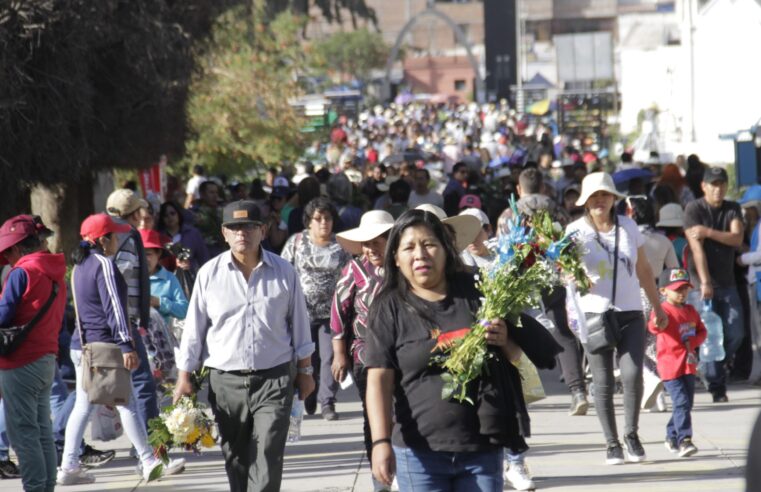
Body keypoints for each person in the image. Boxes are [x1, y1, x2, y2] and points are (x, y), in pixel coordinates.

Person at [364, 209, 525, 490]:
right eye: (409, 247)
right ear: (396, 258)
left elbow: (517, 357)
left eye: (429, 244)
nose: (420, 254)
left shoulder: (478, 291)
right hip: (418, 453)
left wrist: (505, 338)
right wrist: (380, 441)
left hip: (482, 448)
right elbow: (379, 380)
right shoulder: (388, 307)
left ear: (446, 249)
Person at [174, 200, 315, 492]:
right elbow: (193, 330)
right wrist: (184, 377)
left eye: (249, 227)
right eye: (235, 228)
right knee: (235, 456)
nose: (242, 234)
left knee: (268, 453)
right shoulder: (209, 275)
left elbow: (300, 324)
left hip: (274, 378)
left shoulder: (284, 272)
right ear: (224, 233)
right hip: (225, 381)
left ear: (262, 230)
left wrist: (306, 369)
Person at [59, 214, 184, 485]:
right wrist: (127, 344)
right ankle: (149, 460)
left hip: (84, 345)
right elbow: (115, 308)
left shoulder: (80, 266)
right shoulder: (104, 264)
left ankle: (68, 464)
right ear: (102, 240)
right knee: (126, 403)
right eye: (114, 236)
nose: (117, 240)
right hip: (104, 346)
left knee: (84, 406)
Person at [566, 172, 668, 465]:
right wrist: (569, 275)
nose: (600, 200)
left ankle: (631, 435)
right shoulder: (573, 232)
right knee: (602, 382)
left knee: (633, 374)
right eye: (594, 196)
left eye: (605, 195)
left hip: (631, 311)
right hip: (594, 313)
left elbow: (644, 270)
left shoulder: (628, 226)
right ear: (586, 202)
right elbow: (560, 270)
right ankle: (612, 443)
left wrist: (659, 308)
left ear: (613, 198)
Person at [0, 215, 67, 491]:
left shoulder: (22, 273)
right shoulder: (54, 270)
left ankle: (35, 488)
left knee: (24, 433)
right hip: (45, 358)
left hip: (19, 362)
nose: (7, 258)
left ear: (17, 248)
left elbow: (3, 316)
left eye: (7, 252)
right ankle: (45, 487)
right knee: (41, 432)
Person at [331, 210, 395, 492]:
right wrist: (339, 353)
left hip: (403, 353)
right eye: (366, 243)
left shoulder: (403, 267)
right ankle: (378, 477)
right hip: (364, 354)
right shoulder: (354, 270)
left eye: (378, 241)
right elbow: (338, 311)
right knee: (374, 415)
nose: (371, 248)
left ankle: (403, 472)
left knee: (403, 413)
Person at [282, 197, 351, 420]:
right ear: (309, 221)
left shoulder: (341, 245)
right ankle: (307, 393)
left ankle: (328, 401)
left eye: (328, 218)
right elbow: (283, 271)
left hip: (332, 314)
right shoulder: (296, 242)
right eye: (318, 218)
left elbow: (350, 276)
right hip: (301, 313)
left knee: (330, 357)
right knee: (305, 356)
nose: (323, 223)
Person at [683, 166, 744, 402]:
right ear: (704, 186)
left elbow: (737, 238)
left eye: (721, 184)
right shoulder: (694, 209)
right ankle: (716, 386)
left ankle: (712, 364)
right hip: (702, 285)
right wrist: (705, 282)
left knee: (735, 333)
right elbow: (696, 249)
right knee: (708, 335)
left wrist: (708, 232)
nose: (717, 189)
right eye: (713, 184)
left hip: (728, 282)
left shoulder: (732, 208)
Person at [105, 189, 160, 435]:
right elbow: (121, 274)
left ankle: (63, 437)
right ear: (135, 212)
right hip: (123, 318)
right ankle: (154, 442)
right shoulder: (127, 235)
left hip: (108, 318)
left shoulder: (103, 232)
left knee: (92, 388)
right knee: (143, 383)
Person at [647, 268, 706, 458]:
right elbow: (654, 326)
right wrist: (657, 322)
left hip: (688, 365)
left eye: (685, 289)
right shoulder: (662, 310)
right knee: (680, 402)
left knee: (686, 404)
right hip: (670, 366)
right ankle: (684, 440)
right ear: (663, 291)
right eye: (677, 289)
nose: (682, 293)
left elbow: (702, 331)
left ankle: (671, 435)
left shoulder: (690, 311)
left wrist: (693, 343)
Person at [156, 201, 210, 271]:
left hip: (192, 276)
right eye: (165, 215)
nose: (170, 217)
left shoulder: (193, 233)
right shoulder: (159, 237)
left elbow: (204, 258)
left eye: (172, 213)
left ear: (178, 213)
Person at [193, 181, 225, 257]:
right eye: (211, 192)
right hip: (204, 252)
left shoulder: (222, 210)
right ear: (202, 194)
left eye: (216, 192)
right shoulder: (194, 213)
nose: (215, 196)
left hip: (222, 251)